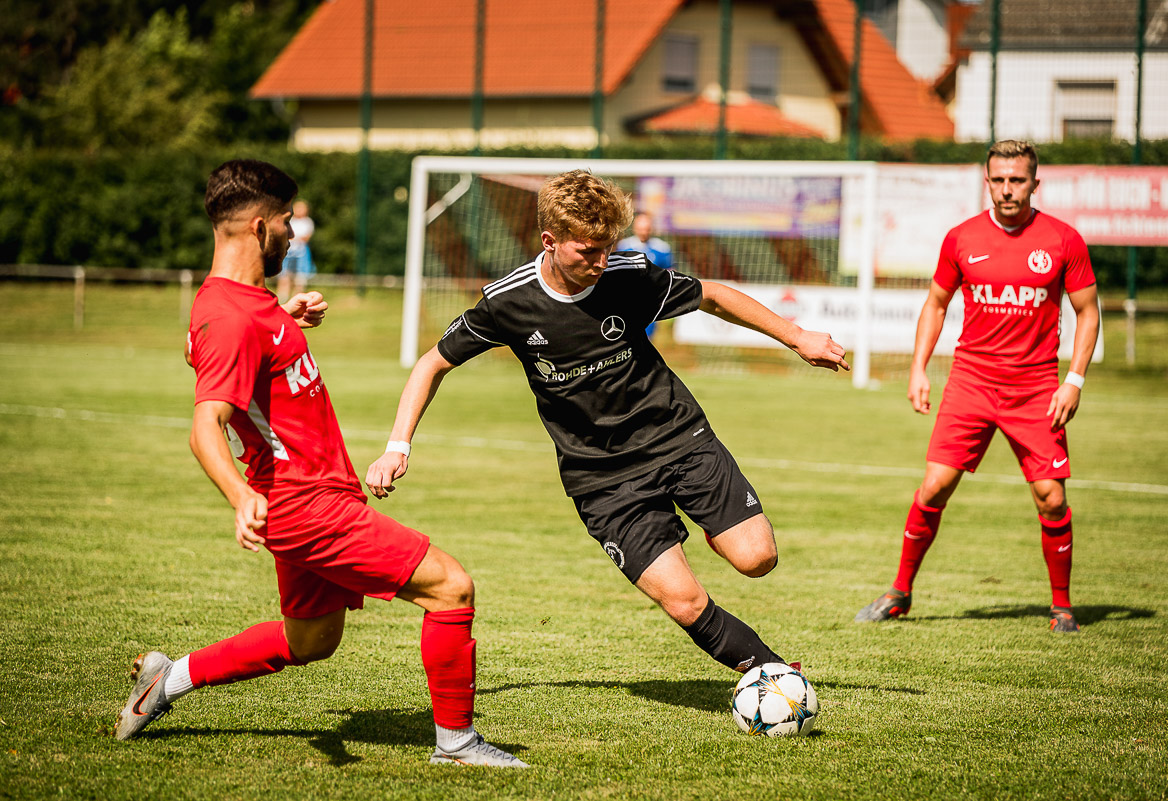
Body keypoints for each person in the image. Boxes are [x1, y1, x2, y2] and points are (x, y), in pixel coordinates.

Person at [114, 159, 527, 768]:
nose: (293, 233)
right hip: (304, 503)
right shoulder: (231, 315)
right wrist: (239, 497)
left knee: (312, 639)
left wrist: (283, 319)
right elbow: (206, 427)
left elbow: (207, 349)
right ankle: (458, 744)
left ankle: (167, 679)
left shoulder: (241, 304)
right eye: (286, 221)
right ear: (260, 227)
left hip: (311, 496)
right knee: (451, 587)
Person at [366, 169, 849, 677]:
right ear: (550, 241)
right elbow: (432, 364)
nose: (601, 263)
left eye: (607, 248)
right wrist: (398, 447)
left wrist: (797, 337)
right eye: (588, 251)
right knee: (684, 600)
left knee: (757, 559)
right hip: (602, 478)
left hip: (677, 438)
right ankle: (776, 677)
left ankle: (713, 530)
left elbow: (712, 295)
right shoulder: (508, 302)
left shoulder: (628, 275)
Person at [854, 140, 1101, 633]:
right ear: (987, 182)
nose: (1007, 189)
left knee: (1052, 498)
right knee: (934, 487)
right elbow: (936, 304)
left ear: (1034, 183)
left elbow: (1088, 311)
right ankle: (899, 592)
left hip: (1035, 387)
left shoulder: (1063, 240)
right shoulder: (961, 238)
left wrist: (1073, 380)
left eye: (1017, 180)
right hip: (971, 382)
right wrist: (918, 368)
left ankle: (1062, 607)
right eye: (999, 180)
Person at [616, 211, 673, 338]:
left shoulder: (662, 248)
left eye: (646, 228)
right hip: (626, 299)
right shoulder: (624, 246)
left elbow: (669, 272)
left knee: (646, 337)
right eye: (641, 228)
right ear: (635, 228)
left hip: (650, 300)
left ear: (652, 228)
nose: (644, 232)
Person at [277, 198, 315, 298]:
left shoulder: (308, 222)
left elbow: (305, 238)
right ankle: (282, 297)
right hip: (288, 252)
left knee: (300, 277)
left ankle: (298, 296)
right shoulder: (290, 221)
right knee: (284, 275)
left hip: (301, 253)